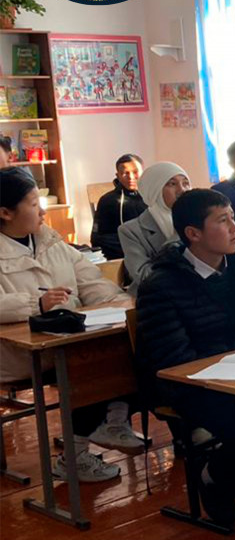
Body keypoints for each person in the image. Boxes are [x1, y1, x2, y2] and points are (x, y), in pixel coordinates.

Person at [135, 189, 235, 525]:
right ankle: (214, 476)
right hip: (190, 384)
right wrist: (234, 375)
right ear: (193, 233)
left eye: (233, 217)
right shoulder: (162, 285)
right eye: (223, 221)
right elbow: (173, 359)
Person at [0, 170, 141, 482]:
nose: (42, 211)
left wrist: (122, 305)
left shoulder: (51, 242)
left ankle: (112, 421)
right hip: (16, 351)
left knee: (134, 343)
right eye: (33, 204)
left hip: (69, 341)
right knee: (90, 361)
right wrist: (36, 304)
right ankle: (78, 452)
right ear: (6, 213)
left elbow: (92, 283)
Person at [120, 162, 191, 292]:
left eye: (186, 183)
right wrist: (179, 232)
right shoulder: (131, 230)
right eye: (172, 184)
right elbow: (144, 276)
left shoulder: (200, 218)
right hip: (157, 298)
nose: (182, 190)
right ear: (154, 190)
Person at [91, 153, 147, 260]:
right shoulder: (107, 201)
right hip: (123, 255)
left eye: (135, 172)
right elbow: (97, 239)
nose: (131, 177)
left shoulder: (154, 197)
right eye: (125, 173)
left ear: (144, 173)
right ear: (118, 176)